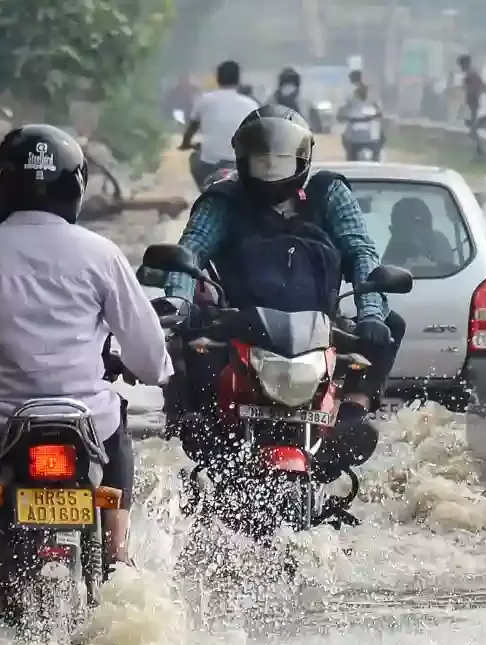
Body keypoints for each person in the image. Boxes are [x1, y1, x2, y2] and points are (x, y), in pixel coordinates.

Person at [0, 124, 172, 596]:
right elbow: (149, 359)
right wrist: (156, 371)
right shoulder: (102, 255)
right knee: (117, 422)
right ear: (77, 187)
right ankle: (117, 551)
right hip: (85, 422)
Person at [160, 106, 403, 468]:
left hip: (319, 328)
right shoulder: (223, 200)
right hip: (239, 324)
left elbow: (361, 251)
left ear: (302, 160)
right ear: (244, 159)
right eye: (262, 161)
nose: (271, 171)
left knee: (390, 325)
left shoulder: (329, 194)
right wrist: (176, 300)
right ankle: (201, 423)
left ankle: (353, 410)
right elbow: (190, 250)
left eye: (281, 162)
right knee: (188, 335)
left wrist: (370, 312)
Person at [180, 60, 260, 189]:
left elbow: (191, 129)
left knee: (194, 158)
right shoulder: (251, 104)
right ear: (238, 79)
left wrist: (185, 144)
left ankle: (205, 190)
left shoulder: (204, 100)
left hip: (210, 163)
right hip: (239, 163)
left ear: (217, 78)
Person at [337, 81, 385, 159]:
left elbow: (381, 114)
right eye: (362, 91)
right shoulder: (350, 103)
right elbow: (340, 116)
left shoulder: (374, 103)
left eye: (365, 91)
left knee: (381, 138)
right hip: (354, 139)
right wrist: (347, 118)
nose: (364, 93)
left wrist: (375, 117)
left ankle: (377, 157)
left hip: (372, 139)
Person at [457, 54, 486, 159]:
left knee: (473, 131)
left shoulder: (470, 75)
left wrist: (467, 88)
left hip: (474, 106)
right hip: (473, 106)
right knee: (472, 131)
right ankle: (479, 153)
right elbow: (483, 87)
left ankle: (480, 153)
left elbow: (477, 88)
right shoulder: (472, 74)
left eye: (461, 65)